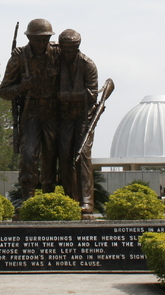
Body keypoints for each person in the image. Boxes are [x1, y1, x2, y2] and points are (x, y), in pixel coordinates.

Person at [0, 18, 60, 202]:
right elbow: (4, 91)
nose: (42, 43)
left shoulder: (58, 53)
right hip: (30, 111)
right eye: (37, 39)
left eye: (45, 39)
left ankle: (49, 197)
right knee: (29, 155)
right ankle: (28, 198)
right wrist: (21, 87)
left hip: (52, 111)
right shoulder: (19, 58)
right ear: (29, 38)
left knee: (51, 154)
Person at [55, 28, 98, 215]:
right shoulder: (56, 61)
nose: (67, 53)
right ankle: (69, 198)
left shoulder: (88, 65)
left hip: (83, 117)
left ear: (78, 47)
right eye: (64, 49)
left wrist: (66, 96)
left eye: (71, 49)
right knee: (64, 156)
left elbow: (92, 95)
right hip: (63, 117)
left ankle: (86, 201)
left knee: (82, 156)